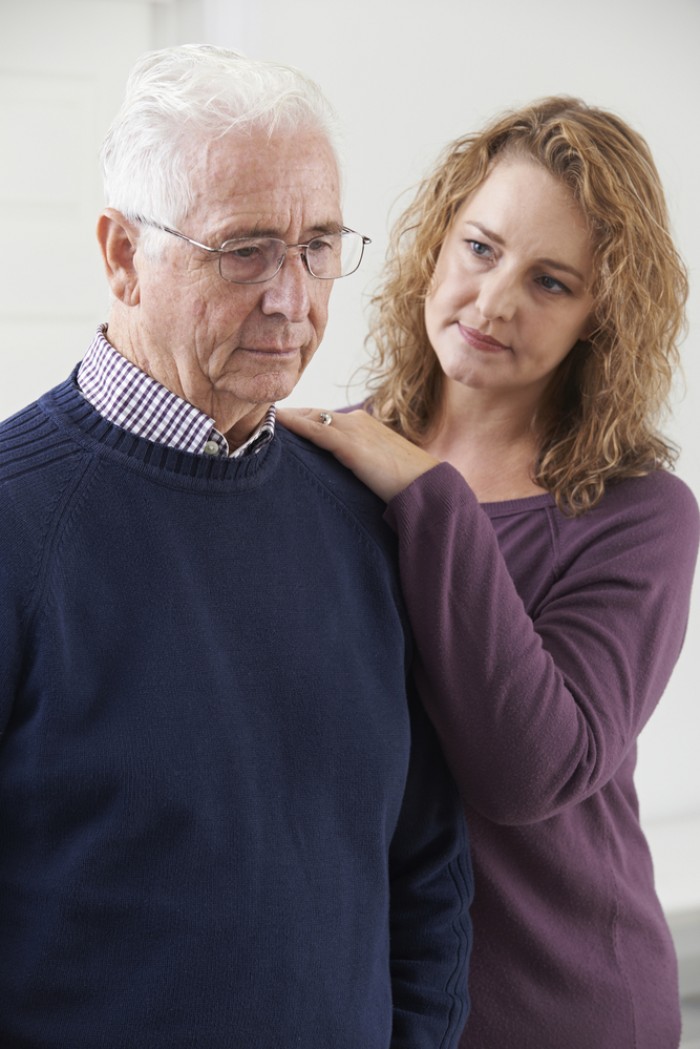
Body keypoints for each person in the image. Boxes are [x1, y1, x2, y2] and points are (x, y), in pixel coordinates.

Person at [0, 44, 473, 1049]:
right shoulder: (16, 523)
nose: (291, 298)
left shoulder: (361, 514)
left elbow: (425, 862)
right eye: (244, 247)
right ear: (121, 254)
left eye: (316, 246)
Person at [279, 96, 700, 1049]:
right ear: (437, 242)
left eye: (552, 282)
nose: (495, 299)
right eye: (481, 248)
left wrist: (430, 497)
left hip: (563, 1009)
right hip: (372, 1007)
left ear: (604, 319)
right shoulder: (330, 464)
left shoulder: (638, 518)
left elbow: (528, 769)